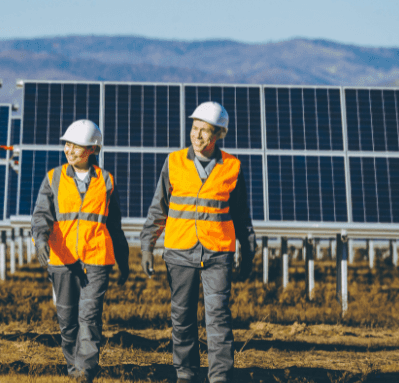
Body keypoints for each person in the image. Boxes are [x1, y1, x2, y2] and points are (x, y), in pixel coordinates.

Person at [139, 101, 256, 383]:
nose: (198, 136)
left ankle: (219, 377)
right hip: (179, 252)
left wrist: (249, 249)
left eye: (205, 131)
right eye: (195, 128)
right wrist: (147, 244)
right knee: (182, 317)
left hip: (217, 253)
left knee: (218, 317)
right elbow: (159, 208)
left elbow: (241, 214)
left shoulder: (233, 167)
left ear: (219, 135)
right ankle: (186, 373)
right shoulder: (174, 162)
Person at [31, 119, 130, 383]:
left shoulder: (106, 181)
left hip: (97, 259)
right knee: (67, 319)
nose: (69, 150)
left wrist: (124, 259)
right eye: (67, 144)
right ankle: (73, 366)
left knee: (89, 316)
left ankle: (84, 371)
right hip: (62, 259)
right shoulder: (53, 178)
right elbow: (41, 216)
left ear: (92, 150)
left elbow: (115, 224)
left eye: (76, 146)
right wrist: (40, 240)